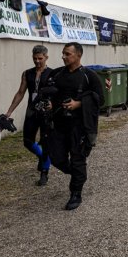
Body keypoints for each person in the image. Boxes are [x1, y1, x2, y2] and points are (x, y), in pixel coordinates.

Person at [46, 42, 103, 211]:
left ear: (78, 55)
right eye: (63, 53)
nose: (63, 57)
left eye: (67, 54)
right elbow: (50, 93)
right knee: (56, 158)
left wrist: (79, 104)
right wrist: (50, 103)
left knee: (78, 158)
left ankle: (76, 193)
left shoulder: (89, 76)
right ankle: (78, 173)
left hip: (80, 126)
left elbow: (100, 99)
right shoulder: (57, 74)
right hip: (59, 124)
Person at [4, 45, 53, 186]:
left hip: (46, 113)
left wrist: (53, 104)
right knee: (27, 141)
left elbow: (58, 92)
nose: (37, 61)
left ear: (46, 57)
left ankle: (44, 172)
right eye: (34, 58)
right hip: (32, 111)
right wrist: (9, 112)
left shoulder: (53, 73)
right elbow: (20, 93)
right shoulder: (27, 73)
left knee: (46, 143)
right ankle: (42, 156)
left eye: (40, 58)